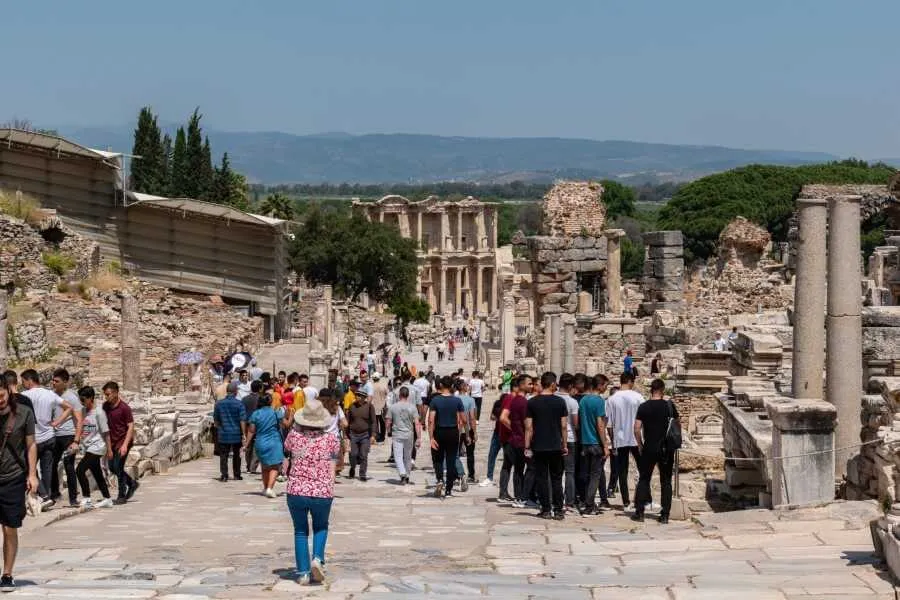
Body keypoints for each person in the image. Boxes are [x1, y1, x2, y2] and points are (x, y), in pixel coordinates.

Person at [284, 399, 340, 585]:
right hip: (322, 489)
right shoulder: (331, 438)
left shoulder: (293, 436)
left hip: (297, 489)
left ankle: (303, 573)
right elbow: (334, 462)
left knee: (300, 531)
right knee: (321, 526)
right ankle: (317, 558)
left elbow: (287, 452)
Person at [0, 385, 38, 592]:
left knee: (9, 527)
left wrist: (32, 475)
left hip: (14, 476)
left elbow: (31, 444)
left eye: (2, 396)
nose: (0, 401)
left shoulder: (24, 413)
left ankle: (7, 573)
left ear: (8, 392)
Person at [21, 369, 73, 509]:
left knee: (29, 468)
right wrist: (57, 422)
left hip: (34, 439)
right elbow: (69, 407)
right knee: (47, 469)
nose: (23, 384)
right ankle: (47, 497)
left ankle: (43, 496)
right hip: (49, 436)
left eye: (23, 381)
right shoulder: (50, 394)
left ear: (29, 380)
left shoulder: (23, 396)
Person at [632, 378, 679, 524]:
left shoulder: (644, 407)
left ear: (651, 390)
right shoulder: (669, 406)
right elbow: (677, 426)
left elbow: (636, 428)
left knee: (644, 479)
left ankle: (640, 513)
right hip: (666, 448)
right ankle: (665, 515)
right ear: (663, 390)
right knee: (666, 481)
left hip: (649, 447)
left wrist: (640, 444)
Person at [525, 372, 568, 520]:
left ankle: (546, 509)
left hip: (539, 445)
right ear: (551, 384)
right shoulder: (560, 402)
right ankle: (559, 509)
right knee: (556, 478)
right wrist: (565, 444)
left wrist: (527, 445)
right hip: (556, 444)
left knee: (542, 478)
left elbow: (529, 427)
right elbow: (563, 426)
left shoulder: (532, 402)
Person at [605, 372, 644, 510]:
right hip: (636, 438)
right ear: (630, 381)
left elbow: (609, 424)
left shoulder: (611, 399)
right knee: (643, 469)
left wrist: (613, 440)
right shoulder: (638, 397)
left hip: (620, 439)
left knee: (622, 471)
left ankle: (626, 500)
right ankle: (642, 498)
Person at [74, 387, 113, 509]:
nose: (81, 402)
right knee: (97, 473)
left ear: (90, 398)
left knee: (80, 469)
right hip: (88, 446)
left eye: (83, 399)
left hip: (98, 446)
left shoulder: (99, 413)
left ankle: (87, 498)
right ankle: (107, 499)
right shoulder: (84, 411)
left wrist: (109, 449)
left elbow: (106, 433)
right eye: (80, 399)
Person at [49, 368, 83, 507]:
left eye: (56, 381)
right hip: (53, 435)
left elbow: (79, 420)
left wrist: (76, 441)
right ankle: (55, 494)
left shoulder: (72, 398)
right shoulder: (51, 395)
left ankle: (73, 498)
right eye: (53, 380)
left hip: (68, 435)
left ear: (65, 382)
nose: (53, 383)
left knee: (69, 466)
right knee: (51, 465)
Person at [578, 375, 611, 514]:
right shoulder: (599, 401)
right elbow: (600, 424)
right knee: (595, 475)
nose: (606, 388)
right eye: (605, 385)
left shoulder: (584, 400)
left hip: (585, 441)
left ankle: (585, 500)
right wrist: (605, 445)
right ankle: (590, 505)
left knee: (585, 474)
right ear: (600, 385)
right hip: (596, 442)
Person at [428, 376, 465, 498]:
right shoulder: (457, 401)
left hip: (439, 432)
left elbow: (431, 420)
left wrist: (431, 438)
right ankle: (448, 490)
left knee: (438, 459)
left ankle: (439, 480)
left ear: (441, 386)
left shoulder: (435, 401)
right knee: (451, 460)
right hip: (453, 432)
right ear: (452, 387)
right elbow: (463, 419)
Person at [101, 381, 137, 505]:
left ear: (116, 393)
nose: (106, 397)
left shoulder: (124, 408)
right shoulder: (105, 407)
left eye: (108, 394)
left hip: (124, 441)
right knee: (112, 467)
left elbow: (131, 426)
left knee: (118, 467)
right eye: (105, 395)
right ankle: (132, 483)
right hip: (112, 442)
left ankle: (121, 495)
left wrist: (125, 445)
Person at [245, 393, 285, 498]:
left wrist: (246, 444)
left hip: (260, 442)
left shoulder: (256, 414)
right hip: (274, 442)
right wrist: (290, 416)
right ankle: (270, 488)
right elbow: (285, 425)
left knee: (264, 466)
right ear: (270, 402)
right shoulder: (276, 412)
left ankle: (265, 487)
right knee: (275, 466)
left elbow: (251, 430)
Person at [498, 375, 528, 505]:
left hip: (506, 437)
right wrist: (515, 428)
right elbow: (503, 417)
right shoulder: (512, 399)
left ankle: (503, 492)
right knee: (515, 467)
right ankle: (516, 494)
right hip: (510, 437)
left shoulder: (508, 398)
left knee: (507, 465)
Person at [386, 387, 421, 484]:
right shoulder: (412, 407)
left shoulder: (393, 407)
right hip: (409, 434)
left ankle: (402, 474)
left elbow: (388, 421)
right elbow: (417, 423)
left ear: (399, 395)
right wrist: (419, 438)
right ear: (408, 395)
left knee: (398, 456)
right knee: (408, 456)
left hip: (397, 434)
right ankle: (407, 475)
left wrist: (388, 431)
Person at [214, 381, 248, 482]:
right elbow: (242, 420)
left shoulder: (219, 404)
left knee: (223, 455)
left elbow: (216, 419)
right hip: (236, 433)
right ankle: (237, 474)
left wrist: (220, 427)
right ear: (236, 392)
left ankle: (224, 475)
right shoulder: (239, 404)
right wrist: (243, 434)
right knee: (237, 455)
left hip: (223, 433)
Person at [556, 373, 580, 511]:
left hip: (554, 438)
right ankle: (569, 501)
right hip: (570, 439)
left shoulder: (553, 399)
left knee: (556, 472)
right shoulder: (572, 402)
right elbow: (575, 424)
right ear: (571, 386)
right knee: (570, 472)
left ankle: (556, 499)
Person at [346, 389, 376, 481]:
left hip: (365, 435)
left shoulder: (370, 407)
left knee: (364, 455)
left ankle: (362, 474)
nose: (357, 397)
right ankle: (352, 467)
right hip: (353, 434)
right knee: (353, 454)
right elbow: (347, 421)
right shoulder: (352, 406)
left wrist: (373, 435)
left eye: (359, 395)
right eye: (356, 395)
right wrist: (346, 436)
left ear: (364, 398)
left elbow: (373, 422)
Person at [479, 391, 504, 487]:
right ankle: (493, 478)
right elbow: (492, 417)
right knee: (495, 456)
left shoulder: (497, 404)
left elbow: (492, 417)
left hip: (499, 433)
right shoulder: (502, 404)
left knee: (492, 456)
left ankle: (491, 478)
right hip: (500, 433)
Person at [455, 380, 478, 485]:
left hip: (456, 430)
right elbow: (472, 417)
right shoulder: (470, 400)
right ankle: (471, 475)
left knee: (455, 454)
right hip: (467, 429)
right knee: (470, 454)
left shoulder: (454, 399)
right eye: (466, 385)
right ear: (463, 387)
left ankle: (456, 475)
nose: (468, 387)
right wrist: (475, 432)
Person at [243, 381, 262, 473]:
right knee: (256, 446)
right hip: (258, 426)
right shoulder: (261, 399)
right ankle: (252, 467)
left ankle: (248, 465)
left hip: (247, 425)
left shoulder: (245, 399)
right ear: (260, 388)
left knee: (248, 445)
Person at [371, 373, 389, 443]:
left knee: (375, 423)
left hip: (374, 407)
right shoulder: (383, 386)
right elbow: (387, 394)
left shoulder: (371, 386)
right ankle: (382, 437)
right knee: (382, 423)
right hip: (382, 407)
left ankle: (377, 436)